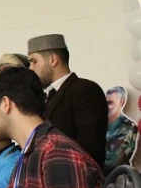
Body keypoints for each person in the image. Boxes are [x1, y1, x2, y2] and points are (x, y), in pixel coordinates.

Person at [27, 34, 108, 167]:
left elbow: (90, 148)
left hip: (76, 180)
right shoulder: (47, 96)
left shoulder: (85, 90)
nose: (31, 68)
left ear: (53, 60)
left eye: (34, 61)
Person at [105, 85, 138, 176]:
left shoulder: (129, 127)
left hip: (115, 181)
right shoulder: (98, 124)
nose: (106, 107)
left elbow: (113, 162)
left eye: (110, 103)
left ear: (121, 102)